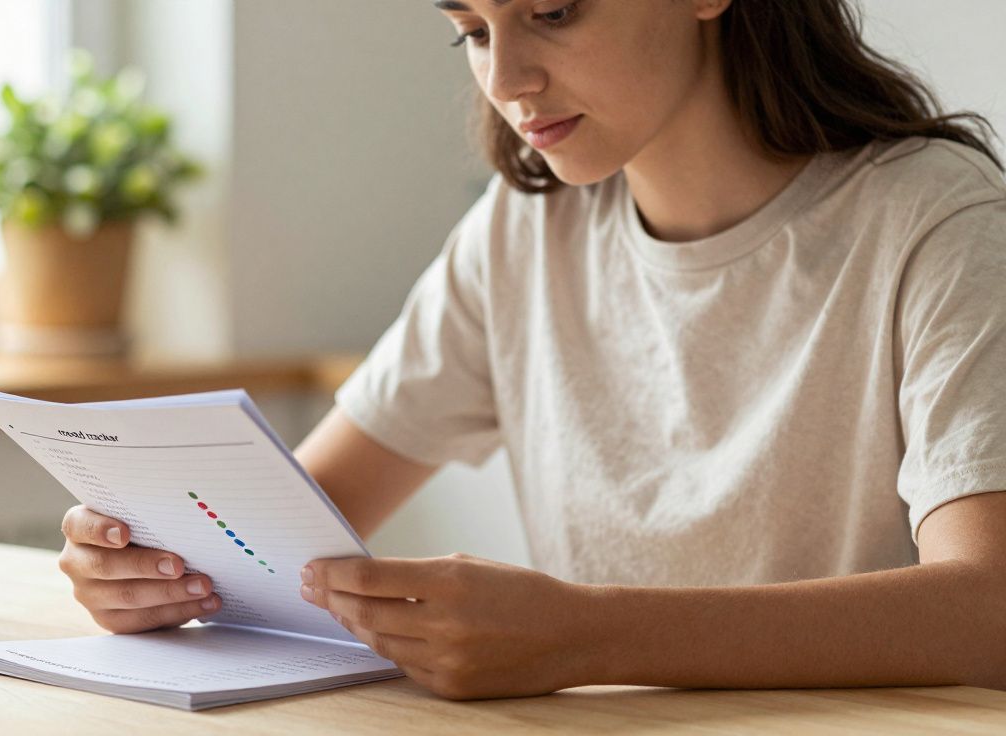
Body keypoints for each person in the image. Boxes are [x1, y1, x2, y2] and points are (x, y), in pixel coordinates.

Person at [57, 0, 1006, 700]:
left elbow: (987, 608)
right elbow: (281, 532)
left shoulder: (936, 219)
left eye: (553, 13)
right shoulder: (526, 229)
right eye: (472, 29)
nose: (506, 78)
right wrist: (163, 572)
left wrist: (589, 635)